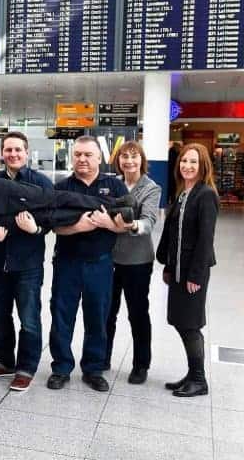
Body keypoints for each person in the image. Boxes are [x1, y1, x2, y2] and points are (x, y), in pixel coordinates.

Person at [46, 136, 129, 393]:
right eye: (78, 154)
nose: (82, 159)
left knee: (98, 316)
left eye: (88, 155)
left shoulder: (114, 186)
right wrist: (77, 227)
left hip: (100, 264)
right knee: (62, 316)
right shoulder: (61, 187)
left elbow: (127, 222)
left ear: (99, 157)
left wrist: (110, 225)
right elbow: (53, 225)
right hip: (67, 263)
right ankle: (61, 367)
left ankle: (93, 368)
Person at [0, 132, 52, 392]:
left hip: (28, 264)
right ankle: (5, 360)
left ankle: (26, 367)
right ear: (2, 154)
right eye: (8, 150)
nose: (13, 154)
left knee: (29, 317)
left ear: (27, 152)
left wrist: (35, 230)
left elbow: (50, 221)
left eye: (18, 150)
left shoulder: (41, 183)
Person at [156, 143, 219, 397]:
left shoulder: (206, 195)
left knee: (190, 325)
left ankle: (199, 379)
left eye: (193, 162)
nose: (187, 166)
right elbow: (174, 234)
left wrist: (195, 276)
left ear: (202, 165)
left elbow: (206, 239)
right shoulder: (183, 193)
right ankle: (192, 374)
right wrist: (168, 266)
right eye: (184, 161)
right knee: (180, 321)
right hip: (178, 271)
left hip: (193, 273)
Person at [105, 141, 161, 385]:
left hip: (137, 260)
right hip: (108, 258)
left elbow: (149, 220)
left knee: (137, 313)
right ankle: (102, 357)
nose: (129, 161)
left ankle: (141, 364)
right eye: (124, 156)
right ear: (118, 160)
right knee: (107, 312)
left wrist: (132, 225)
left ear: (142, 160)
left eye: (134, 156)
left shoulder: (151, 187)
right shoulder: (111, 183)